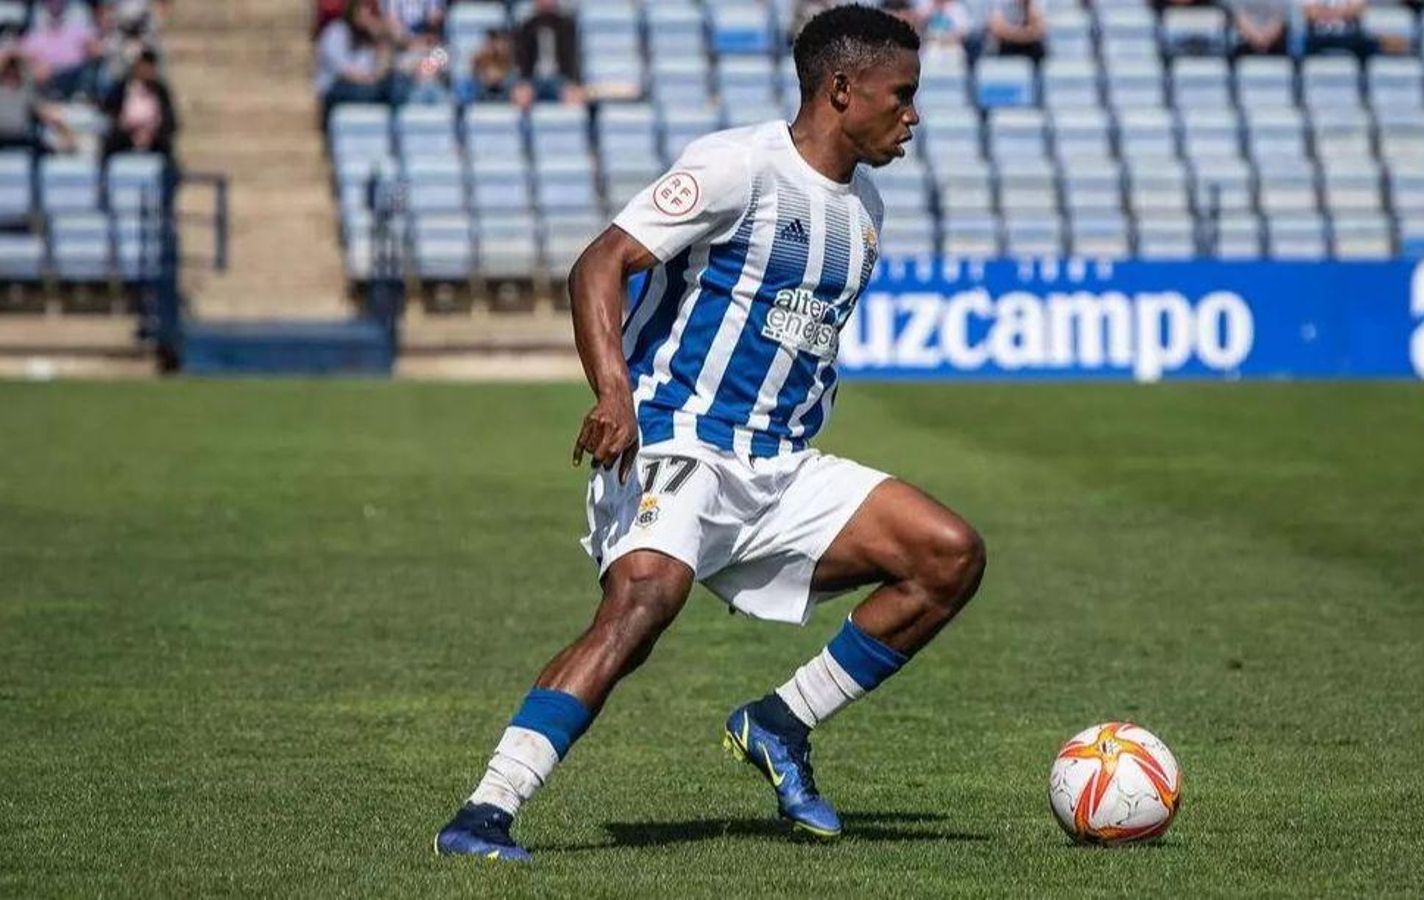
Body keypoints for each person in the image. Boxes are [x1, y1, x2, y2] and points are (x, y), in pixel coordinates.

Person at [434, 4, 985, 862]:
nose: (913, 115)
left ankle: (781, 722)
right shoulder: (739, 166)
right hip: (675, 441)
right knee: (643, 603)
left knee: (947, 554)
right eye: (902, 94)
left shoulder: (865, 210)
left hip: (780, 470)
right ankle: (484, 810)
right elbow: (600, 263)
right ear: (843, 89)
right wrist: (613, 394)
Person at [315, 0, 394, 126]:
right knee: (372, 92)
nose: (365, 15)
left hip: (365, 87)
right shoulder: (335, 31)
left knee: (393, 87)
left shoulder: (368, 37)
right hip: (336, 88)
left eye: (369, 12)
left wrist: (381, 39)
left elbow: (381, 70)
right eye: (361, 10)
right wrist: (369, 79)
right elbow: (343, 71)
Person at [20, 0, 104, 100]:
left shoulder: (78, 13)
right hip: (46, 78)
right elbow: (25, 52)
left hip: (75, 74)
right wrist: (34, 65)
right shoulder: (37, 18)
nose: (54, 3)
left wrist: (89, 49)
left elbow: (95, 46)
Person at [103, 47, 176, 159]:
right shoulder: (122, 87)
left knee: (166, 147)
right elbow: (109, 109)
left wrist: (150, 133)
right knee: (111, 142)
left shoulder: (160, 90)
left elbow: (169, 118)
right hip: (126, 133)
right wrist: (129, 128)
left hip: (152, 134)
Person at [0, 52, 77, 155]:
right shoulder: (23, 91)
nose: (11, 75)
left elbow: (46, 115)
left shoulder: (25, 92)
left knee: (50, 149)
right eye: (9, 72)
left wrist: (67, 134)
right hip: (5, 136)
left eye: (14, 72)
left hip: (20, 137)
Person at [512, 0, 583, 107]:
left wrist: (574, 84)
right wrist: (522, 84)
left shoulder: (567, 26)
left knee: (573, 97)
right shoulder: (526, 26)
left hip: (560, 78)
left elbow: (573, 58)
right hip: (533, 79)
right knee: (522, 96)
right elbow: (521, 60)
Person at [1301, 0, 1376, 57]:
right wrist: (1340, 12)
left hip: (1348, 35)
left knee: (1367, 43)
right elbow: (1311, 12)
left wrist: (1325, 12)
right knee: (1300, 43)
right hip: (1317, 35)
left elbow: (1356, 10)